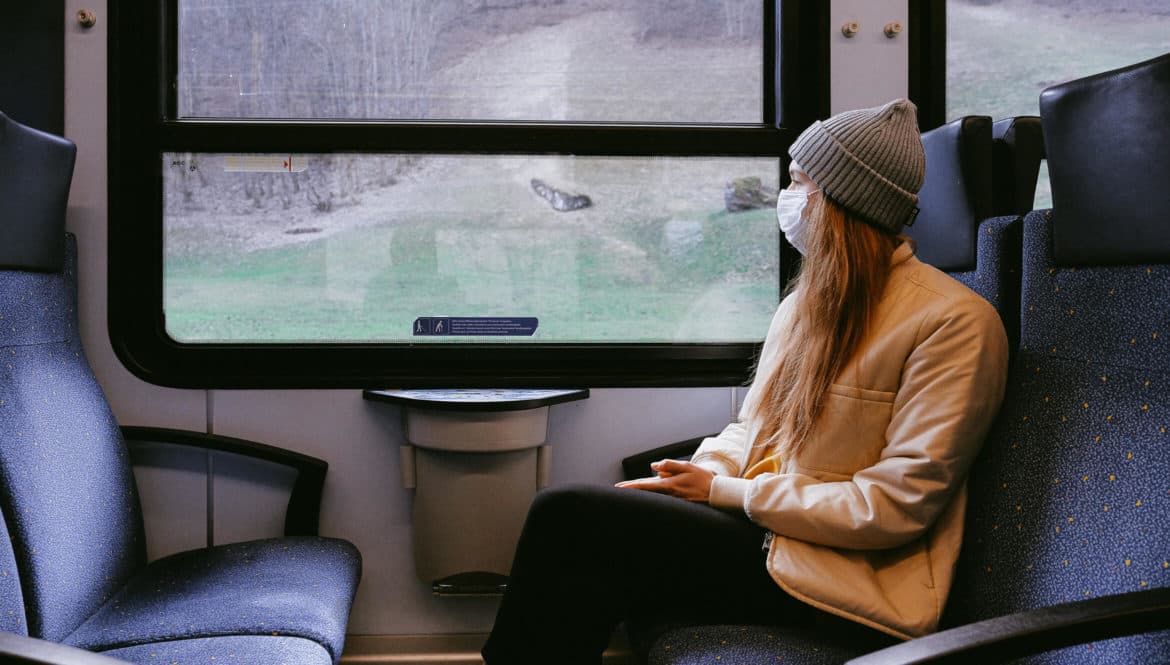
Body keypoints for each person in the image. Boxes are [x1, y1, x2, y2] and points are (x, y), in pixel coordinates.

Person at [481, 99, 1009, 665]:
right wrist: (708, 470)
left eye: (799, 183)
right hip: (777, 537)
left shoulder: (954, 323)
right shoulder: (809, 304)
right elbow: (752, 429)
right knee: (594, 538)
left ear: (841, 201)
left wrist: (724, 494)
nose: (788, 201)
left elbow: (893, 506)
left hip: (847, 577)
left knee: (572, 517)